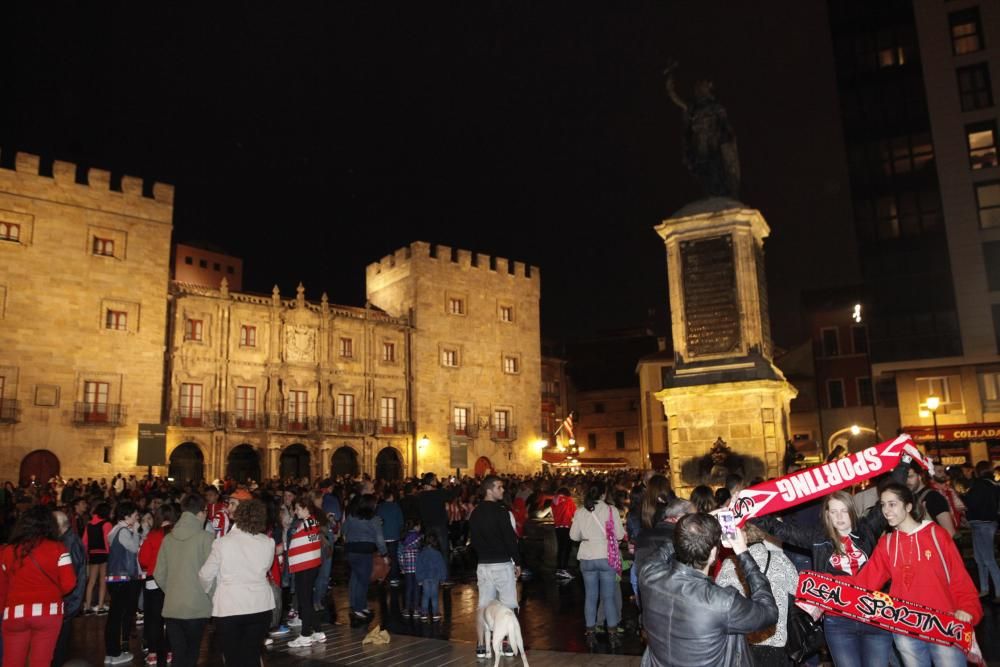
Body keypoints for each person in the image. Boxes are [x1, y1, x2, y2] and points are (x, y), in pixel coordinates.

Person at [752, 457, 909, 667]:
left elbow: (892, 494)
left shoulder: (867, 529)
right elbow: (781, 530)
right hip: (839, 621)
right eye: (834, 512)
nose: (840, 517)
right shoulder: (819, 538)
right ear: (827, 514)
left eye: (844, 510)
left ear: (851, 511)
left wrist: (905, 461)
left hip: (874, 617)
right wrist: (749, 508)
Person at [838, 482, 982, 666]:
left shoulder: (937, 535)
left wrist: (968, 608)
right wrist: (824, 585)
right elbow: (864, 582)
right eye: (882, 505)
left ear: (908, 506)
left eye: (892, 504)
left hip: (943, 625)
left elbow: (958, 577)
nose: (886, 511)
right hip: (905, 628)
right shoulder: (887, 543)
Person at [639, 513, 778, 666]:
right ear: (713, 553)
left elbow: (661, 552)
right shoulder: (722, 602)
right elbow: (769, 612)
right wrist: (742, 552)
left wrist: (690, 532)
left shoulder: (648, 575)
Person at [199, 499, 277, 665]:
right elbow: (266, 568)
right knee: (252, 653)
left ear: (238, 517)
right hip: (260, 605)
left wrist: (209, 592)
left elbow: (205, 574)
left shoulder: (222, 543)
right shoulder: (268, 543)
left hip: (230, 606)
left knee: (233, 657)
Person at [0, 506, 77, 667]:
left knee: (12, 661)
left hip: (14, 613)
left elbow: (2, 587)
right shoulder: (58, 549)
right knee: (41, 661)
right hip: (48, 612)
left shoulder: (7, 551)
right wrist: (53, 593)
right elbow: (69, 583)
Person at [715, 524, 798, 666]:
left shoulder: (729, 563)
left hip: (742, 643)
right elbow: (797, 591)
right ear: (762, 533)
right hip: (775, 640)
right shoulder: (781, 559)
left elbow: (717, 600)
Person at [154, 494, 214, 667]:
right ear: (201, 513)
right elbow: (212, 575)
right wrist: (211, 599)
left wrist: (173, 590)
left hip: (172, 606)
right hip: (197, 606)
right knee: (192, 653)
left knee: (178, 654)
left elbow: (159, 573)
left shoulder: (168, 538)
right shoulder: (206, 538)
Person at [569, 480, 625, 651]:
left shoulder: (580, 511)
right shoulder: (610, 510)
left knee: (590, 597)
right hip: (606, 556)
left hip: (587, 556)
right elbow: (620, 535)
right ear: (603, 494)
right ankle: (613, 635)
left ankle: (590, 634)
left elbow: (573, 536)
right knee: (608, 597)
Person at [470, 475, 521, 660]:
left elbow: (473, 540)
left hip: (483, 564)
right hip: (501, 563)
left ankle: (481, 646)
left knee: (483, 604)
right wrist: (517, 561)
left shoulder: (475, 512)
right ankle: (507, 643)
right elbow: (510, 539)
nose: (503, 490)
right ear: (489, 490)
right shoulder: (501, 511)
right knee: (508, 603)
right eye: (499, 487)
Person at [138, 503, 178, 667]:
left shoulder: (153, 535)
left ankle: (153, 653)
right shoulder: (177, 535)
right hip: (173, 581)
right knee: (171, 619)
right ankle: (169, 651)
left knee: (153, 619)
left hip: (153, 581)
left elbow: (143, 560)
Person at [341, 493, 388, 622]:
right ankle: (359, 608)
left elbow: (343, 530)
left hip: (351, 550)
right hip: (365, 551)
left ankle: (358, 606)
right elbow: (379, 538)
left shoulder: (352, 517)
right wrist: (384, 554)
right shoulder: (373, 519)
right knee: (363, 580)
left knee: (356, 578)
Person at [104, 501, 142, 664]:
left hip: (115, 578)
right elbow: (134, 548)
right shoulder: (124, 531)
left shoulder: (115, 530)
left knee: (114, 616)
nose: (137, 517)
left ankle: (112, 653)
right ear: (127, 516)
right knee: (116, 617)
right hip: (122, 578)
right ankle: (114, 653)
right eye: (135, 515)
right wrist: (135, 531)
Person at [286, 495, 325, 647]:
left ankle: (305, 635)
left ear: (307, 508)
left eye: (298, 509)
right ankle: (317, 631)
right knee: (306, 599)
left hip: (305, 566)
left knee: (304, 600)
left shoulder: (309, 523)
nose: (295, 512)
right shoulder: (312, 521)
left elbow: (296, 540)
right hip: (311, 565)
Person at [51, 509, 88, 667]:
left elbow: (69, 578)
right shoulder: (67, 540)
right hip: (68, 603)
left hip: (67, 603)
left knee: (58, 648)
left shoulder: (68, 544)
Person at [963, 460, 1000, 601]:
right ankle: (986, 589)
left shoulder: (978, 485)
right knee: (983, 558)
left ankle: (993, 590)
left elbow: (971, 503)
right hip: (990, 523)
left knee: (985, 559)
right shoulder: (994, 485)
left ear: (978, 471)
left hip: (979, 523)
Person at [417, 473, 452, 580]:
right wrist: (451, 485)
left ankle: (429, 574)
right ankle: (444, 576)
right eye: (435, 480)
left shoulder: (421, 495)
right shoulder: (438, 493)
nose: (437, 481)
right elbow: (452, 494)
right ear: (432, 481)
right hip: (439, 525)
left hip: (427, 525)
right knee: (444, 550)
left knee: (429, 550)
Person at [907, 465, 957, 537]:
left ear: (920, 476)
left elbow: (950, 532)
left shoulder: (933, 497)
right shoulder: (911, 498)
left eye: (910, 477)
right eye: (904, 477)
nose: (907, 481)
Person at [83, 502, 112, 614]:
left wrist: (86, 554)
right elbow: (107, 541)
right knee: (102, 580)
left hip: (92, 553)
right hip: (103, 553)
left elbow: (84, 541)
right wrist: (109, 553)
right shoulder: (106, 524)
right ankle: (100, 606)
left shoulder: (89, 524)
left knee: (91, 581)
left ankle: (88, 606)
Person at [416, 531, 447, 622]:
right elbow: (441, 566)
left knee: (425, 596)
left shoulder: (422, 553)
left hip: (425, 578)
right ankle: (435, 613)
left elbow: (418, 566)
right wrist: (443, 578)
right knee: (434, 596)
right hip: (435, 577)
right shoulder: (437, 553)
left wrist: (419, 578)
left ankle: (424, 613)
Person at [398, 518, 422, 618]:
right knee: (417, 588)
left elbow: (399, 554)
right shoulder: (419, 537)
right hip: (417, 567)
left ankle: (407, 609)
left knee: (408, 588)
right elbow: (422, 554)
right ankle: (416, 609)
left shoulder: (403, 538)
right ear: (416, 526)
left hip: (407, 567)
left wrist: (402, 567)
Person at [551, 487, 576, 579]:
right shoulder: (569, 500)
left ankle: (559, 569)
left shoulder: (554, 500)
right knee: (567, 548)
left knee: (561, 548)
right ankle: (564, 569)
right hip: (567, 526)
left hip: (558, 527)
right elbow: (575, 513)